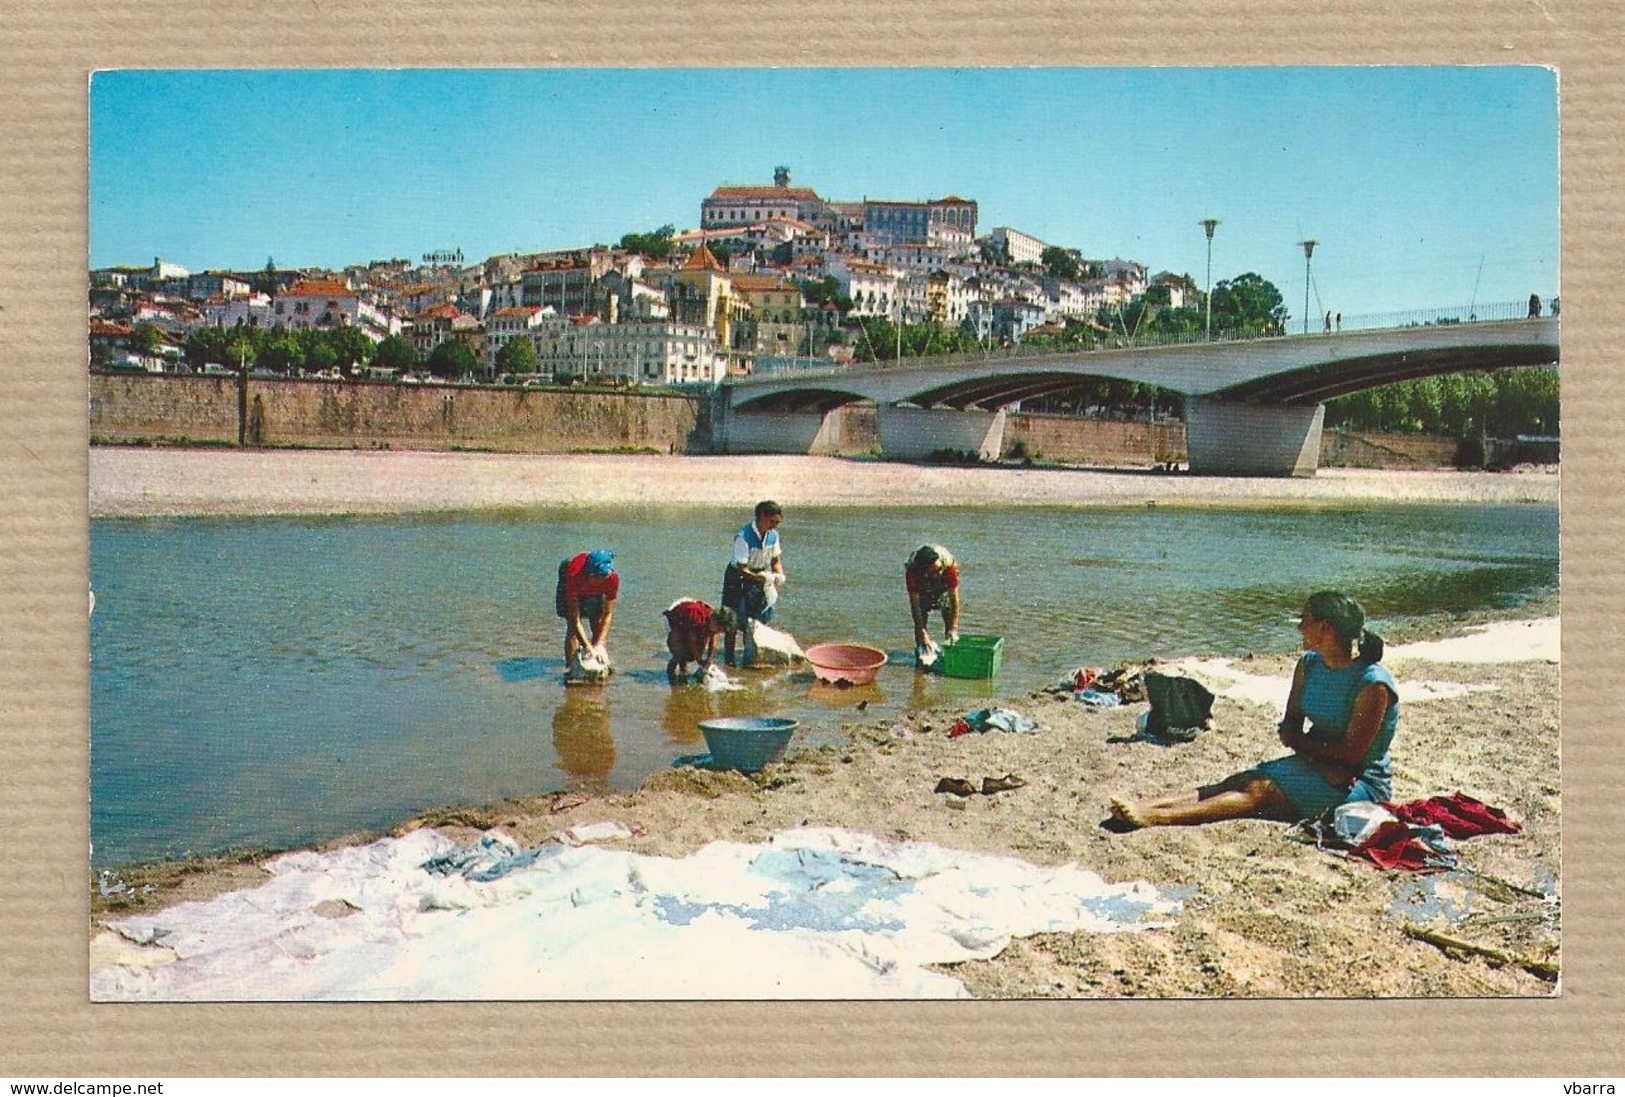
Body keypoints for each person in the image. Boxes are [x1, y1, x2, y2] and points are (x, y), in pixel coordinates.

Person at [1108, 590, 1399, 830]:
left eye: (1305, 620)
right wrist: (1316, 758)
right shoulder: (1309, 665)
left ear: (1325, 628)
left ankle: (1158, 818)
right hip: (1318, 764)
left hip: (1357, 783)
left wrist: (1304, 746)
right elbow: (1290, 729)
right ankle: (1149, 804)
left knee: (1259, 791)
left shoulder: (1371, 684)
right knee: (1239, 780)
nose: (1299, 627)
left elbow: (1350, 755)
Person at [722, 500, 785, 666]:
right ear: (762, 516)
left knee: (757, 618)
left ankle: (751, 657)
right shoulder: (744, 537)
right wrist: (760, 578)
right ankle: (729, 661)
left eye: (777, 523)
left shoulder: (773, 536)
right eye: (773, 522)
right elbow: (742, 568)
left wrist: (779, 574)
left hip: (758, 575)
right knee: (733, 619)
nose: (775, 526)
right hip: (738, 577)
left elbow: (775, 559)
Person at [555, 549, 618, 681]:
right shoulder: (574, 575)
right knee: (572, 628)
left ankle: (597, 662)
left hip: (588, 588)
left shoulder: (611, 579)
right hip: (572, 579)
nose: (600, 582)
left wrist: (599, 644)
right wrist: (587, 646)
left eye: (603, 578)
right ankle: (571, 667)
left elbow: (608, 613)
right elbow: (575, 618)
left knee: (597, 621)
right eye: (597, 578)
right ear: (589, 574)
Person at [905, 544, 961, 665]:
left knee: (947, 609)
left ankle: (950, 650)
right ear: (924, 571)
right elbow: (915, 607)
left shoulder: (947, 567)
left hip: (943, 581)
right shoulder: (913, 572)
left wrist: (953, 627)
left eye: (939, 569)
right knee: (922, 610)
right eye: (935, 571)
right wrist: (923, 633)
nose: (939, 572)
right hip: (923, 581)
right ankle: (922, 654)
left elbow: (954, 600)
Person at [662, 598, 736, 683]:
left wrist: (709, 660)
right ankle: (672, 667)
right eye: (719, 629)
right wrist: (699, 661)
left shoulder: (714, 623)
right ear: (715, 620)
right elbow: (691, 642)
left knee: (699, 648)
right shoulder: (698, 619)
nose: (718, 631)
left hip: (690, 614)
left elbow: (713, 640)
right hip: (676, 613)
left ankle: (683, 670)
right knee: (680, 649)